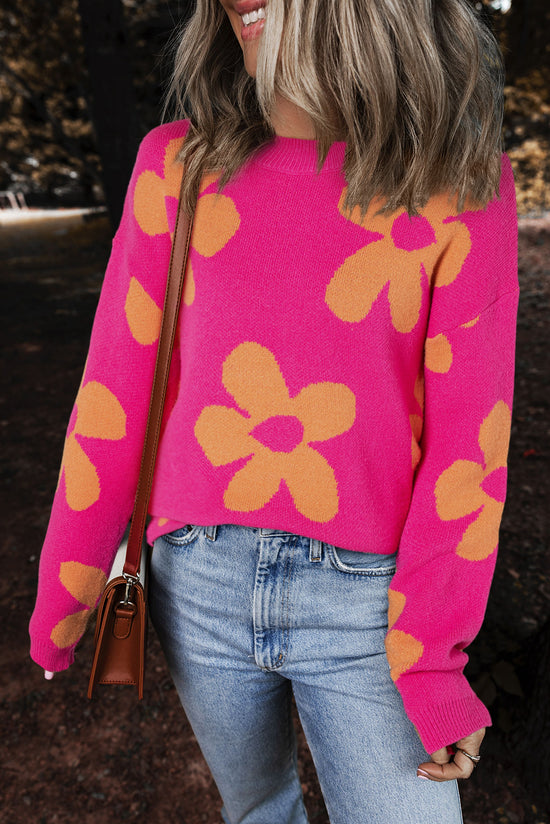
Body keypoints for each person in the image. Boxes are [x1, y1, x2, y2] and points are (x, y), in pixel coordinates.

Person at [29, 0, 519, 821]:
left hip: (368, 607)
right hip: (197, 580)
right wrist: (65, 594)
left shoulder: (461, 186)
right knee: (256, 810)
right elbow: (114, 395)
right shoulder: (176, 168)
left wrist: (433, 661)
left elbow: (470, 453)